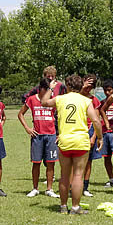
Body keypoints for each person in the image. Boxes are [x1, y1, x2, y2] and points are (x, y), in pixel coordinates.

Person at [41, 74, 103, 215]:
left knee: (64, 175)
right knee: (77, 175)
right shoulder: (86, 101)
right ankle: (75, 207)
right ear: (80, 86)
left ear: (67, 86)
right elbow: (96, 121)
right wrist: (100, 137)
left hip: (64, 141)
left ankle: (63, 206)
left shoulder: (60, 99)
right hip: (81, 141)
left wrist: (50, 89)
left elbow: (44, 102)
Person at [18, 78, 59, 198]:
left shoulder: (53, 100)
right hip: (37, 136)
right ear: (40, 88)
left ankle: (49, 189)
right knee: (36, 163)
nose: (49, 92)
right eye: (47, 89)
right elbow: (20, 114)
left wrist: (59, 133)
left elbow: (60, 116)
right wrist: (27, 128)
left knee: (51, 163)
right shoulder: (31, 99)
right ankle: (35, 188)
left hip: (51, 136)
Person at [80, 74, 102, 197]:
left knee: (88, 161)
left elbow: (96, 120)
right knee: (75, 162)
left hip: (89, 131)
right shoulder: (75, 96)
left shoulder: (95, 100)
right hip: (77, 131)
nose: (89, 88)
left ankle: (85, 187)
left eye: (92, 86)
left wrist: (93, 137)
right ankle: (73, 187)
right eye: (87, 84)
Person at [99, 79, 113, 191]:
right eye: (105, 90)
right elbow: (98, 116)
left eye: (109, 90)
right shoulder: (102, 103)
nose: (107, 93)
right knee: (106, 157)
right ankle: (111, 179)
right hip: (104, 133)